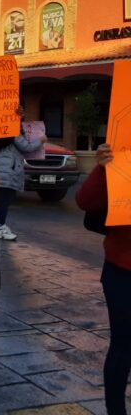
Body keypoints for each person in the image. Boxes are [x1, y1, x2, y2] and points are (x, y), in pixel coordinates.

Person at [76, 144, 131, 415]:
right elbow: (85, 202)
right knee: (123, 346)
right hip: (123, 270)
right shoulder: (119, 154)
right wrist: (102, 167)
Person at [0, 106, 46, 241]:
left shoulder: (4, 130)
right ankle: (0, 226)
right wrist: (41, 140)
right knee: (6, 198)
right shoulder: (11, 131)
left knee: (6, 197)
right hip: (8, 169)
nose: (20, 117)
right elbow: (26, 147)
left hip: (6, 168)